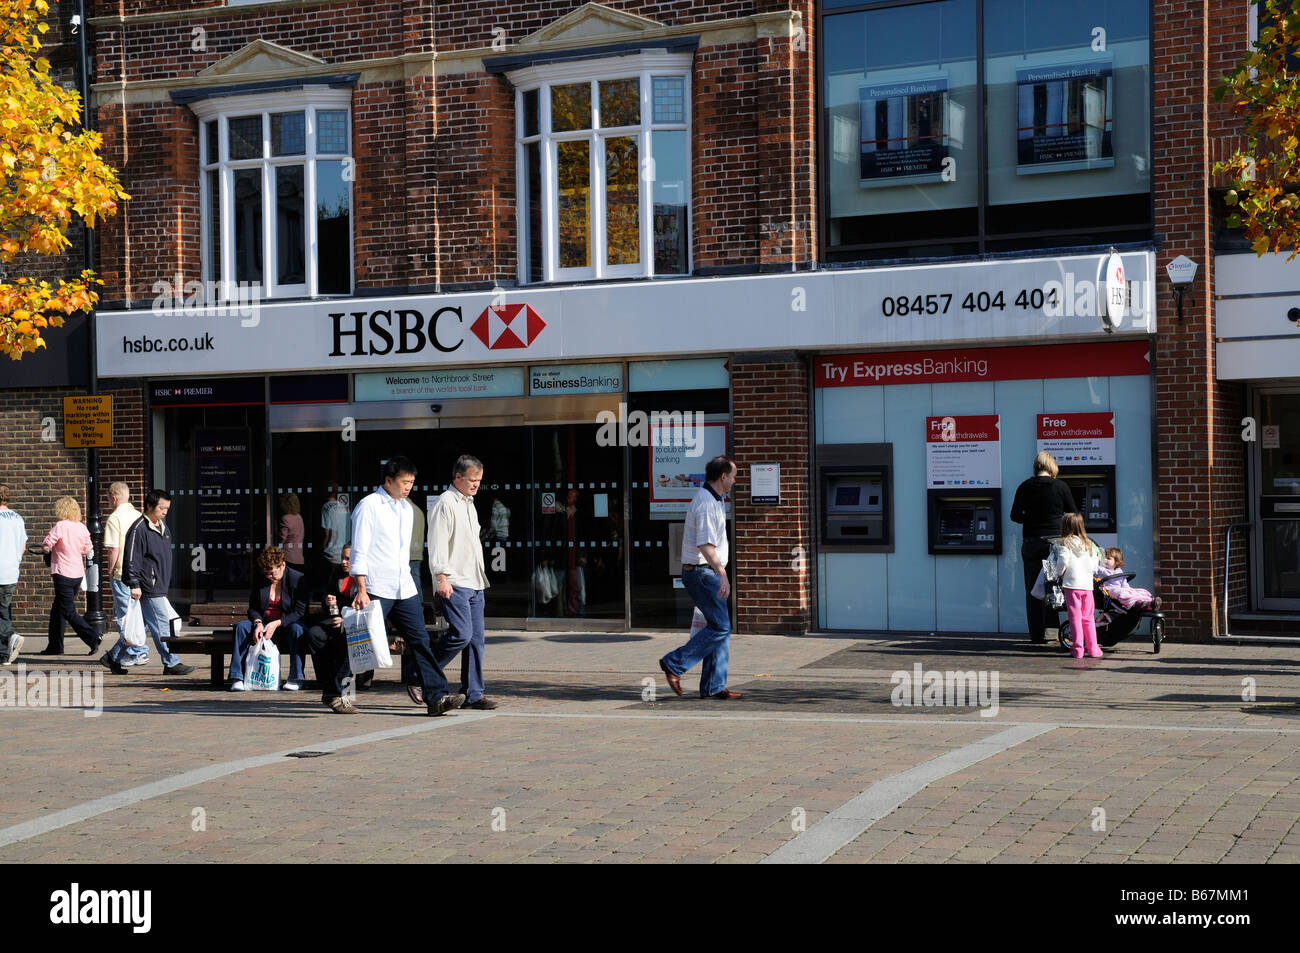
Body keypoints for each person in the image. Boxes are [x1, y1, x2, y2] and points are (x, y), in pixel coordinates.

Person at [351, 456, 463, 715]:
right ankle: (334, 691)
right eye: (404, 482)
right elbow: (360, 548)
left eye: (411, 482)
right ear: (388, 481)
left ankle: (436, 697)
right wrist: (361, 587)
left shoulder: (406, 509)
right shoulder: (369, 506)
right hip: (377, 586)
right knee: (363, 640)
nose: (408, 487)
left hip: (404, 586)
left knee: (420, 640)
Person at [658, 455, 742, 700]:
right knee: (720, 626)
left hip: (705, 572)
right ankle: (675, 663)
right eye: (734, 476)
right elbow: (705, 545)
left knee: (719, 627)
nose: (735, 481)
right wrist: (722, 573)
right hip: (703, 573)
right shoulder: (706, 502)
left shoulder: (715, 499)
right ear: (723, 476)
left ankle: (714, 686)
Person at [427, 455, 496, 710]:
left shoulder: (470, 503)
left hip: (475, 580)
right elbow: (437, 541)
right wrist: (441, 576)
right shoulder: (446, 503)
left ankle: (473, 693)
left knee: (476, 639)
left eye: (479, 480)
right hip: (455, 581)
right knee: (461, 634)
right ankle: (420, 672)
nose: (476, 484)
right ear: (457, 477)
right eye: (472, 480)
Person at [103, 489, 195, 676]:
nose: (165, 512)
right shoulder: (139, 529)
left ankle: (112, 657)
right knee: (163, 624)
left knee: (140, 626)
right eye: (162, 508)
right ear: (150, 506)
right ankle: (171, 662)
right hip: (148, 586)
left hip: (158, 585)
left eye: (167, 508)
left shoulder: (163, 527)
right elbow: (132, 558)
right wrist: (134, 583)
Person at [1010, 451, 1079, 644]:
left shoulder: (1024, 486)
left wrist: (1031, 517)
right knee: (1051, 586)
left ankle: (1036, 635)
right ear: (1052, 466)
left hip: (1032, 543)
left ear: (1036, 466)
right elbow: (1074, 513)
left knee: (1033, 588)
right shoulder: (1060, 486)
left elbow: (1014, 515)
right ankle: (1051, 632)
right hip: (1053, 545)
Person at [228, 546, 309, 691]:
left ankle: (296, 677)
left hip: (286, 626)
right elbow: (252, 608)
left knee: (298, 629)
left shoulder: (297, 579)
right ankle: (237, 677)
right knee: (241, 627)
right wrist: (258, 622)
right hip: (263, 625)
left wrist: (277, 623)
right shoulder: (261, 579)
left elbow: (299, 611)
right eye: (266, 573)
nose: (269, 577)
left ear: (282, 565)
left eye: (272, 573)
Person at [303, 544, 360, 713]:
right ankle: (326, 683)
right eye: (342, 557)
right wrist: (328, 603)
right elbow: (327, 599)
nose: (343, 562)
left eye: (348, 559)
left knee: (346, 642)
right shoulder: (336, 574)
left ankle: (341, 693)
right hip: (335, 621)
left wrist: (345, 620)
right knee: (314, 634)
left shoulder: (363, 578)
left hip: (355, 624)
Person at [40, 496, 99, 656]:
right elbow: (87, 548)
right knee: (57, 609)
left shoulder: (60, 526)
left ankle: (92, 637)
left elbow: (47, 544)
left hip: (63, 573)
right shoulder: (81, 527)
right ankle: (55, 646)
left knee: (67, 610)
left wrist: (47, 548)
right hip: (77, 574)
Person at [102, 482, 149, 667]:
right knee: (137, 614)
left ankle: (137, 651)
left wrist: (110, 569)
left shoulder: (114, 518)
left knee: (124, 616)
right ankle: (135, 651)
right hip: (139, 572)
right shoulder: (140, 516)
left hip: (122, 573)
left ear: (113, 498)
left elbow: (114, 548)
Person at [1052, 512, 1102, 659]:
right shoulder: (1088, 544)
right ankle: (1093, 649)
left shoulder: (1064, 543)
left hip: (1072, 584)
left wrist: (1059, 573)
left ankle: (1078, 649)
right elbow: (1094, 565)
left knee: (1075, 618)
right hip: (1087, 585)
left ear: (1065, 526)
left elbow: (1062, 561)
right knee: (1088, 618)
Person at [0, 485, 27, 665]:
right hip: (11, 571)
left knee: (2, 613)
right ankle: (3, 655)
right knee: (3, 611)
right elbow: (23, 545)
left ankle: (11, 636)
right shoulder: (17, 517)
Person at [320, 486, 350, 583]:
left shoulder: (326, 507)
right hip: (344, 549)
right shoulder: (345, 508)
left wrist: (322, 548)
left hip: (331, 551)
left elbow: (327, 533)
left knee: (330, 581)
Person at [278, 492, 306, 575]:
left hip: (288, 556)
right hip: (299, 556)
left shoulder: (285, 518)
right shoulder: (299, 517)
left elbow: (282, 539)